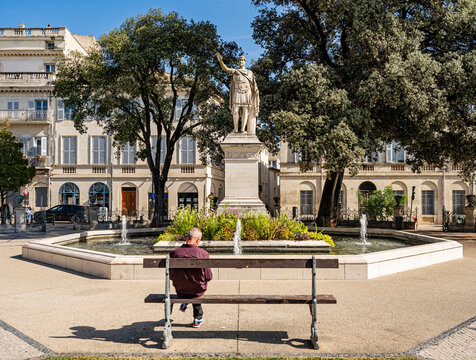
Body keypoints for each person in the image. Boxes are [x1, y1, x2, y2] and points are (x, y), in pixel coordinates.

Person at [169, 228, 212, 328]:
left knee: (188, 284)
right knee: (196, 288)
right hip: (197, 289)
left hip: (180, 289)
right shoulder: (203, 254)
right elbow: (209, 277)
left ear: (186, 238)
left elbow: (171, 275)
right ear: (197, 240)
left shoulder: (174, 253)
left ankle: (185, 301)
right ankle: (198, 318)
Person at [216, 53, 260, 134]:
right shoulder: (235, 71)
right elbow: (226, 69)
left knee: (245, 110)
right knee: (235, 110)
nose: (241, 61)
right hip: (237, 91)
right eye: (240, 60)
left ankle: (243, 129)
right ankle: (236, 129)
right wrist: (221, 62)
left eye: (242, 60)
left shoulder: (249, 72)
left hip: (247, 92)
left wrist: (255, 92)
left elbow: (253, 84)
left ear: (245, 62)